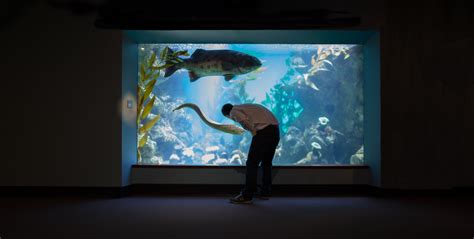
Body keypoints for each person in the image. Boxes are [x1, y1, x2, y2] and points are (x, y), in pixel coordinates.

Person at [221, 103, 280, 204]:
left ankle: (247, 195)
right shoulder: (246, 106)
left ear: (227, 115)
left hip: (263, 132)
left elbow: (244, 121)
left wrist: (253, 132)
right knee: (266, 162)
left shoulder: (234, 111)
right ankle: (265, 192)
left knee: (252, 163)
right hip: (275, 130)